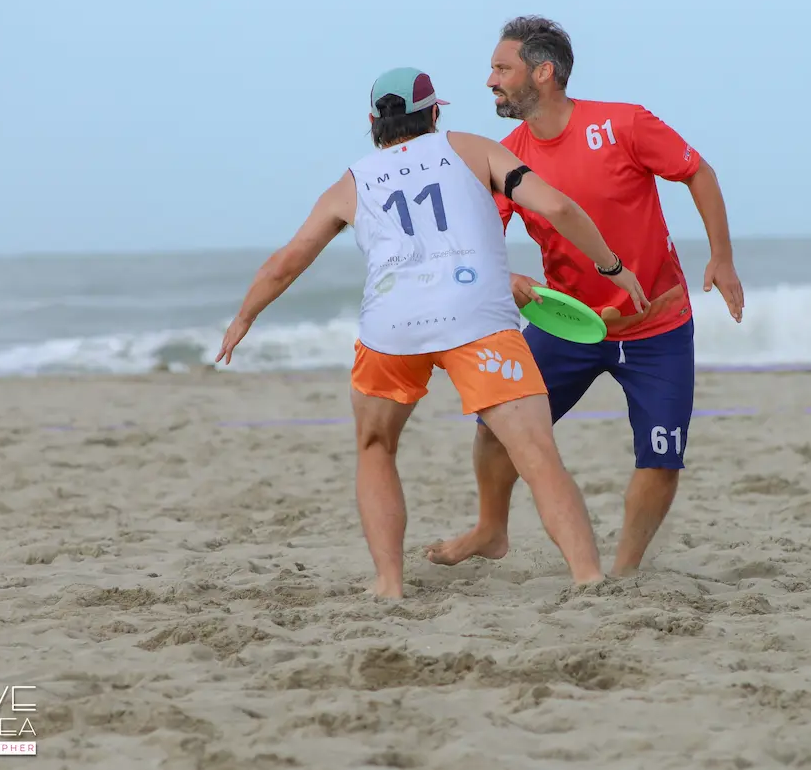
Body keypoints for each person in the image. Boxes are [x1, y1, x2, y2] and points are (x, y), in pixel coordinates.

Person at [215, 66, 650, 598]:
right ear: (434, 113)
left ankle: (388, 583)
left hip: (390, 329)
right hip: (477, 321)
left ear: (373, 121)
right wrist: (611, 267)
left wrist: (244, 318)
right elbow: (557, 206)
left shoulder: (352, 182)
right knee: (537, 453)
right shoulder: (471, 149)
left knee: (376, 446)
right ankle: (588, 577)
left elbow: (287, 262)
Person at [426, 16, 745, 577]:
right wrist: (506, 278)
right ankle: (490, 528)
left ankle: (623, 571)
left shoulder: (623, 124)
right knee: (496, 426)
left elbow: (698, 171)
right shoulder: (508, 157)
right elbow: (476, 243)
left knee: (661, 457)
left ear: (543, 73)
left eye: (502, 68)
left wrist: (721, 256)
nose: (490, 81)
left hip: (657, 325)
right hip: (567, 325)